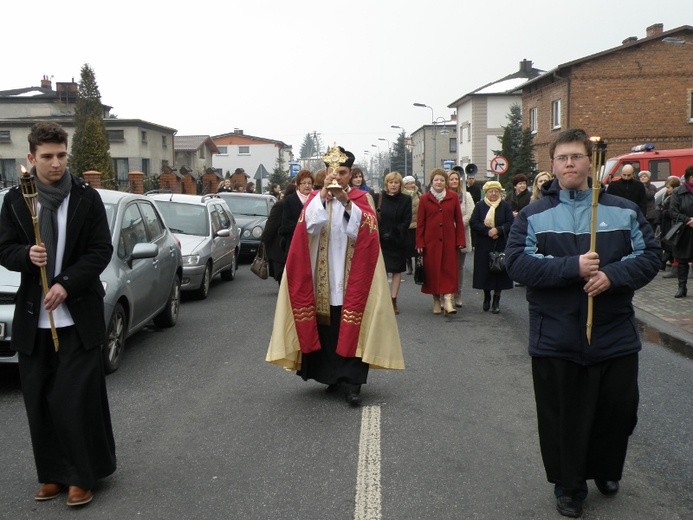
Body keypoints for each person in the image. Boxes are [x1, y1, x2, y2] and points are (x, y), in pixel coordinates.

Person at [505, 128, 660, 519]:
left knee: (618, 410)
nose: (570, 163)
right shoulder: (533, 215)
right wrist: (571, 267)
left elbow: (650, 256)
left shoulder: (623, 210)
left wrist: (612, 276)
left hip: (614, 332)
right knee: (564, 416)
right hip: (556, 334)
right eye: (563, 158)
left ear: (591, 164)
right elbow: (518, 263)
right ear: (553, 165)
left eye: (577, 157)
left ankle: (606, 469)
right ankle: (569, 485)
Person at [0, 122, 116, 507]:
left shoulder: (86, 198)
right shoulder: (17, 200)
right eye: (47, 157)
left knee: (73, 398)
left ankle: (82, 476)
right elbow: (5, 250)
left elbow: (100, 251)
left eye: (61, 155)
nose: (55, 164)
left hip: (77, 316)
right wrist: (26, 257)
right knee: (40, 398)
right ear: (31, 158)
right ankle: (52, 473)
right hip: (34, 318)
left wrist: (65, 282)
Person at [266, 146, 404, 406]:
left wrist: (345, 201)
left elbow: (366, 233)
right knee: (328, 326)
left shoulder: (362, 199)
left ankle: (352, 383)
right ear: (326, 173)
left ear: (350, 174)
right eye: (332, 172)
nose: (337, 177)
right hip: (323, 277)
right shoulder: (316, 200)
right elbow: (308, 227)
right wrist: (323, 199)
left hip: (352, 276)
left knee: (352, 325)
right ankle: (332, 376)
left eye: (342, 172)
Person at [415, 168, 465, 315]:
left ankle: (448, 300)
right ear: (432, 181)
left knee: (449, 271)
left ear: (446, 183)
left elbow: (459, 221)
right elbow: (420, 223)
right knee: (433, 272)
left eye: (442, 180)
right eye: (436, 180)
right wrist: (420, 242)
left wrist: (460, 240)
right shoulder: (424, 199)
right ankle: (436, 300)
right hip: (431, 242)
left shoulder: (453, 197)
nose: (439, 182)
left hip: (449, 240)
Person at [469, 181, 514, 313]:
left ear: (500, 193)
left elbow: (511, 223)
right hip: (484, 243)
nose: (493, 194)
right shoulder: (480, 206)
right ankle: (487, 296)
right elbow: (474, 222)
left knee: (499, 272)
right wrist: (487, 231)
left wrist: (498, 230)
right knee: (485, 272)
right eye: (490, 191)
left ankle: (496, 299)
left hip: (500, 243)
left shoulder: (505, 206)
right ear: (486, 193)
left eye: (496, 191)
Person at [374, 172, 411, 315]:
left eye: (396, 182)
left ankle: (393, 299)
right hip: (381, 239)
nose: (393, 185)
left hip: (397, 239)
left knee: (396, 270)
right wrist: (382, 233)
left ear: (400, 184)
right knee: (381, 271)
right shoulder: (378, 198)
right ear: (386, 184)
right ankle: (381, 300)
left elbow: (407, 220)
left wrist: (395, 233)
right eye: (391, 182)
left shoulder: (406, 199)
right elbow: (374, 217)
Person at [448, 166, 475, 307]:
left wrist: (457, 225)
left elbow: (471, 213)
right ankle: (447, 294)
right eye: (451, 179)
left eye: (456, 179)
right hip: (446, 235)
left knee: (459, 266)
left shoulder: (466, 196)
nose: (454, 181)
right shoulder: (444, 195)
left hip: (462, 234)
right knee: (446, 266)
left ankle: (458, 293)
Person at [261, 184, 295, 284]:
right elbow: (271, 226)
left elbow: (270, 226)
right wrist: (264, 241)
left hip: (283, 248)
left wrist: (264, 241)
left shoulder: (285, 205)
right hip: (279, 247)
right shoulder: (281, 205)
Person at [668, 165, 693, 298]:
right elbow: (673, 212)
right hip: (683, 231)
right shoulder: (678, 192)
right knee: (683, 260)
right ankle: (682, 287)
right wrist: (688, 220)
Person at [279, 169, 314, 257]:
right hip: (294, 242)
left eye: (309, 183)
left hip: (312, 242)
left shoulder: (316, 199)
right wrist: (303, 227)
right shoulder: (290, 200)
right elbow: (285, 225)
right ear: (298, 185)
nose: (307, 186)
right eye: (304, 183)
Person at [660, 176, 681, 275]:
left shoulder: (675, 197)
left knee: (670, 245)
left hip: (672, 224)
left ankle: (663, 263)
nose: (667, 189)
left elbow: (673, 212)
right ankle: (672, 264)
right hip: (666, 223)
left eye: (669, 187)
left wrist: (664, 212)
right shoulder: (667, 196)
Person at [401, 175, 420, 275]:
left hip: (417, 225)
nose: (412, 185)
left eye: (413, 183)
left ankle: (418, 265)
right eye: (410, 183)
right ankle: (409, 267)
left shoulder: (419, 194)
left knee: (418, 247)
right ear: (405, 185)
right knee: (407, 247)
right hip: (406, 226)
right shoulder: (401, 195)